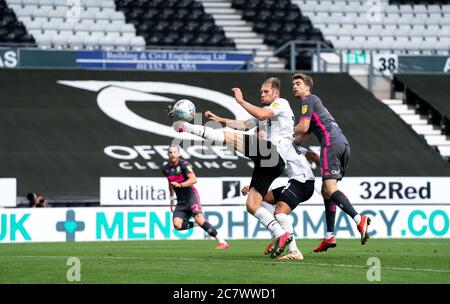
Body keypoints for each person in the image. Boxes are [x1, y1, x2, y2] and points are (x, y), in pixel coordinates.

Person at [170, 77, 305, 258]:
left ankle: (186, 127)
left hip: (273, 153)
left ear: (276, 93)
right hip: (269, 162)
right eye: (261, 92)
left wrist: (241, 101)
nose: (262, 95)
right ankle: (282, 235)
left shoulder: (281, 103)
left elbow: (262, 115)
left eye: (266, 92)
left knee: (227, 137)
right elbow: (244, 125)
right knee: (252, 205)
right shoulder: (267, 111)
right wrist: (220, 119)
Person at [292, 73, 371, 252]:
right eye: (293, 84)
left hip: (331, 144)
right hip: (342, 143)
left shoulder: (308, 100)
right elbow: (300, 138)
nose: (295, 87)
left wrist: (283, 129)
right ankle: (329, 236)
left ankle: (359, 220)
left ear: (307, 87)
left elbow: (302, 127)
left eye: (298, 83)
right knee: (326, 191)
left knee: (329, 189)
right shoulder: (313, 106)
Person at [240, 145, 320, 260]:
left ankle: (293, 249)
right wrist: (326, 171)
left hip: (301, 182)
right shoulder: (291, 145)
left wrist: (254, 185)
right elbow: (312, 155)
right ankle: (278, 235)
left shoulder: (278, 145)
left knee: (280, 213)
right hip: (304, 182)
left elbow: (270, 170)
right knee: (262, 198)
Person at [162, 145, 229, 250]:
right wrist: (171, 199)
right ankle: (199, 224)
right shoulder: (166, 169)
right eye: (170, 152)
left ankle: (222, 242)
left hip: (191, 196)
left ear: (178, 154)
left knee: (198, 217)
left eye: (175, 152)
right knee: (177, 225)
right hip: (181, 201)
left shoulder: (184, 165)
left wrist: (180, 185)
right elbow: (170, 183)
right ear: (167, 154)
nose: (173, 154)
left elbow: (193, 180)